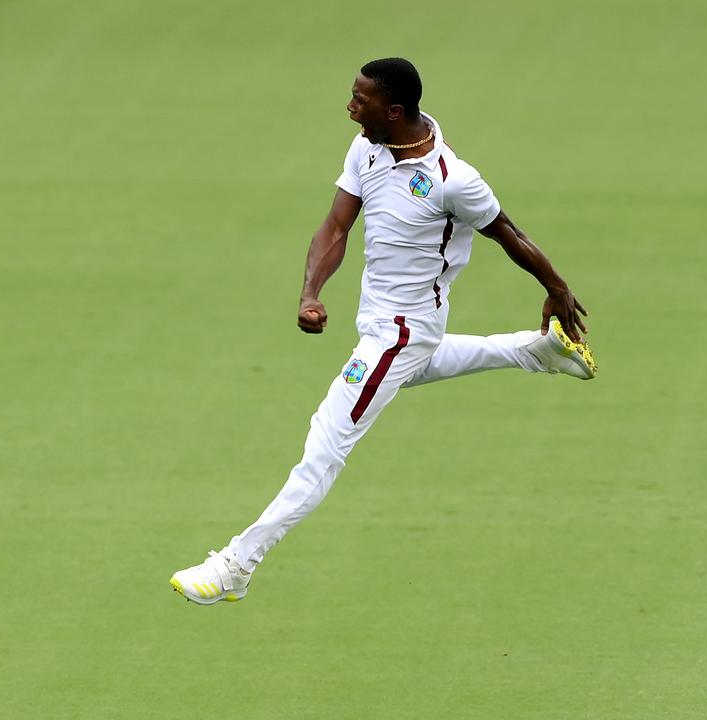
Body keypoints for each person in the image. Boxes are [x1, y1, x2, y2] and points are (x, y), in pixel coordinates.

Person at [170, 57, 596, 605]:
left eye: (360, 100)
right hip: (383, 327)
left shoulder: (452, 180)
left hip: (401, 332)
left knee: (325, 442)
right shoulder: (368, 148)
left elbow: (508, 233)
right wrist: (310, 292)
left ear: (394, 111)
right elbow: (336, 225)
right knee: (412, 367)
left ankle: (236, 565)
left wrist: (557, 288)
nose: (350, 107)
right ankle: (536, 353)